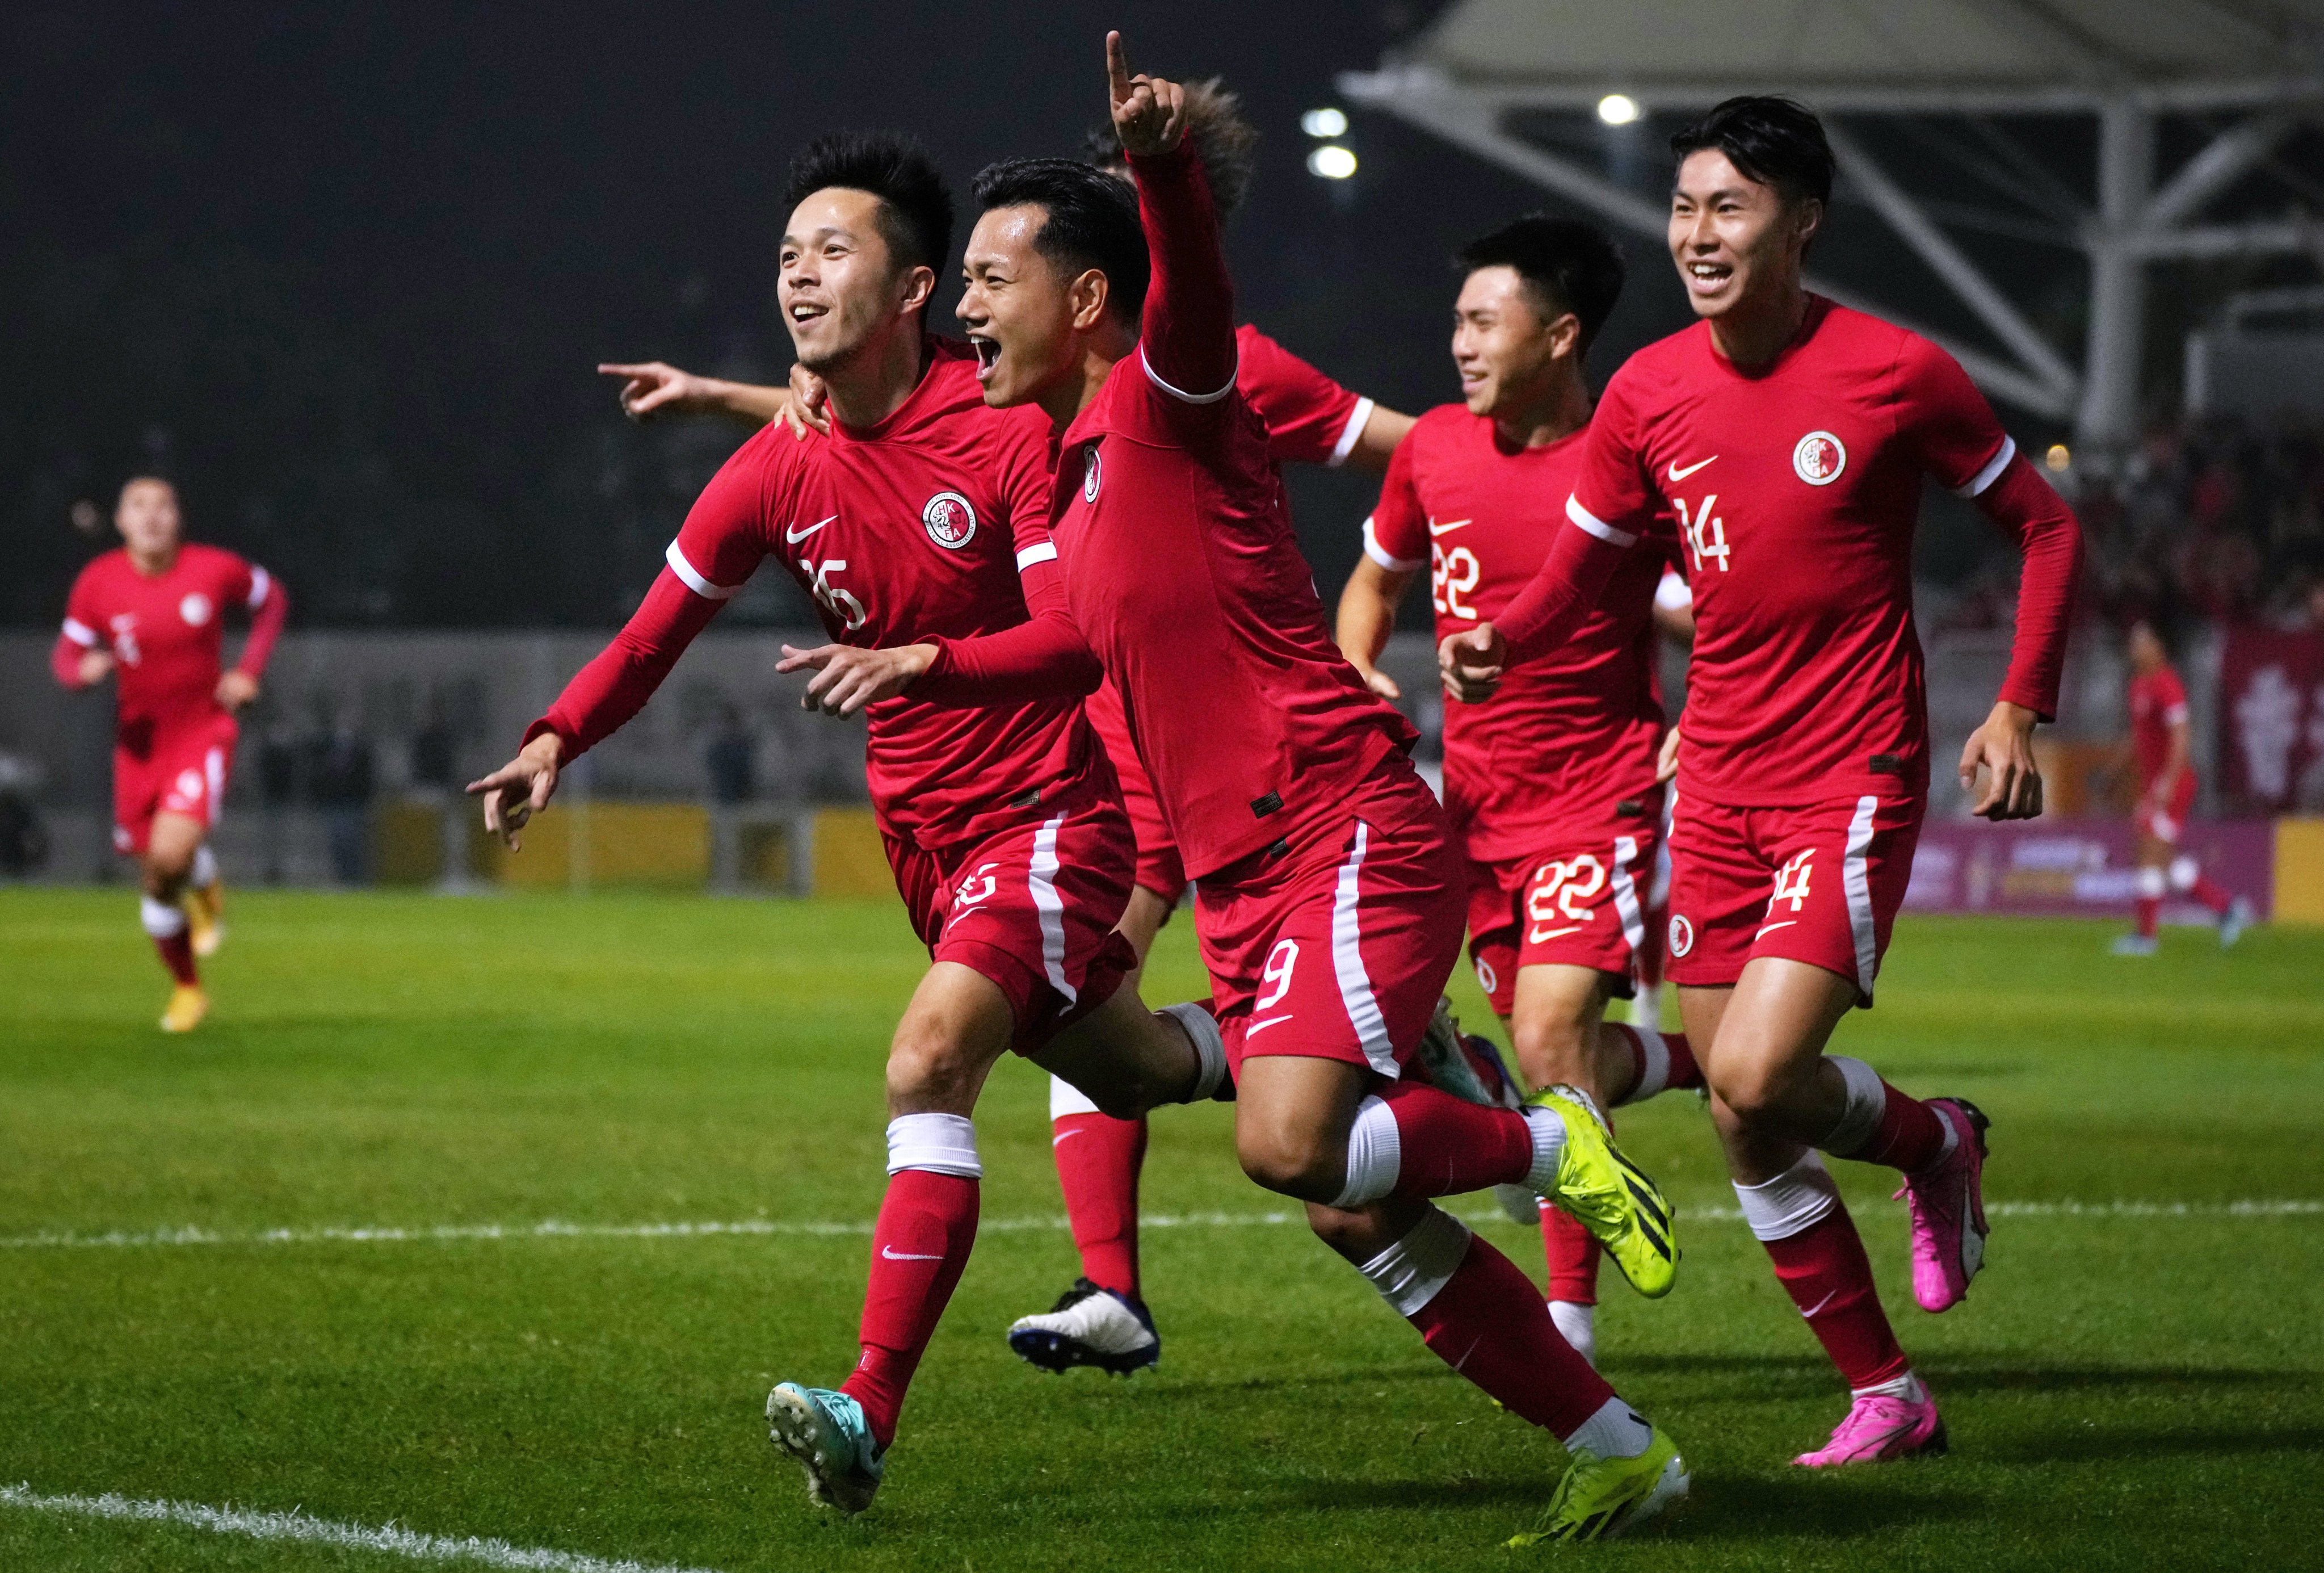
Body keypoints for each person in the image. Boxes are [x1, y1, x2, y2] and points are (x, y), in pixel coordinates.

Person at [785, 37, 1688, 1544]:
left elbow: (1187, 295)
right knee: (1324, 1188)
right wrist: (926, 658)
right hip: (1249, 873)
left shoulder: (1160, 395)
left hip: (1338, 824)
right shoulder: (1057, 468)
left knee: (1284, 1145)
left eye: (991, 282)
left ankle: (1546, 1138)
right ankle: (1615, 1446)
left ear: (1083, 297)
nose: (963, 308)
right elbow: (1069, 635)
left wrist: (1158, 169)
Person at [596, 79, 1418, 1381]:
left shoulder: (1216, 362)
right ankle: (1134, 1270)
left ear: (1104, 267)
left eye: (1019, 264)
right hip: (1112, 737)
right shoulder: (1020, 380)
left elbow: (1417, 450)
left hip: (1187, 756)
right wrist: (736, 398)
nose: (986, 302)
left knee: (1175, 1065)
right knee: (1102, 1019)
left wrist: (1423, 571)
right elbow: (894, 419)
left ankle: (1422, 1150)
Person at [468, 131, 1226, 1519]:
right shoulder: (779, 462)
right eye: (785, 254)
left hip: (1057, 814)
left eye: (832, 249)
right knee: (1141, 1066)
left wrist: (927, 663)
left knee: (927, 1060)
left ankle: (864, 1407)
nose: (798, 272)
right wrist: (552, 736)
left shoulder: (1003, 429)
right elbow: (655, 633)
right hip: (928, 846)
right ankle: (1401, 1070)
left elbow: (1072, 636)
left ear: (917, 287)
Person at [1442, 95, 2083, 1466]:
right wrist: (1514, 630)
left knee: (1751, 1065)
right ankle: (1887, 1389)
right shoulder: (1648, 389)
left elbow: (2043, 521)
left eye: (1729, 209)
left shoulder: (1897, 371)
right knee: (1743, 1111)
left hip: (1849, 769)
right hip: (1716, 776)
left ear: (1802, 224)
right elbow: (1591, 564)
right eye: (1684, 209)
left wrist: (2021, 703)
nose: (1698, 234)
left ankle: (1928, 1142)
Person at [1335, 214, 1706, 1369]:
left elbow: (1734, 604)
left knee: (1548, 1037)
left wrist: (1699, 726)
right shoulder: (1433, 450)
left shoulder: (1631, 464)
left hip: (1597, 793)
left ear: (1558, 334)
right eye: (1455, 320)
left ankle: (1571, 1324)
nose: (1458, 343)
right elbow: (1369, 584)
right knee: (1550, 1054)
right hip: (1473, 812)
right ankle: (1737, 1066)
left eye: (1481, 321)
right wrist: (1358, 681)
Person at [51, 476, 287, 1031]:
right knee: (157, 878)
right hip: (136, 746)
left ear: (178, 517)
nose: (152, 515)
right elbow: (67, 653)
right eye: (139, 505)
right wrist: (78, 673)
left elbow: (271, 599)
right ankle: (188, 986)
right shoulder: (98, 582)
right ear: (121, 521)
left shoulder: (212, 569)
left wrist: (248, 672)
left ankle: (197, 875)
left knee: (168, 855)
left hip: (201, 732)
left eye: (164, 505)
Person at [2112, 615, 2249, 954]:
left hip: (2173, 784)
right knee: (2159, 856)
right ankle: (2227, 908)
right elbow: (2139, 737)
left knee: (2148, 852)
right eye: (2134, 641)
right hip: (2154, 784)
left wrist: (2168, 783)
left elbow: (2182, 736)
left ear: (2160, 647)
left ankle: (2146, 937)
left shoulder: (2167, 684)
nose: (2136, 648)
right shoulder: (2139, 685)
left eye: (2142, 641)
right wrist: (2116, 771)